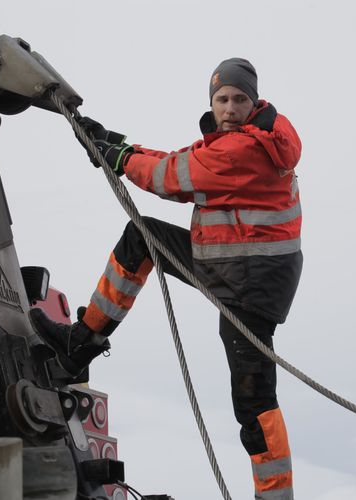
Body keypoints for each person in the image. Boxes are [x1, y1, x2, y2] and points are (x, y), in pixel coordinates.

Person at [31, 57, 301, 500]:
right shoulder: (264, 135)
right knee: (144, 239)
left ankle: (276, 496)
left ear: (253, 103)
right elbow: (189, 161)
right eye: (222, 99)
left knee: (254, 404)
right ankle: (80, 344)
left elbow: (171, 177)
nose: (229, 107)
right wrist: (120, 147)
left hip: (246, 285)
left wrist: (118, 156)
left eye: (238, 99)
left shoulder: (244, 150)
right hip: (240, 269)